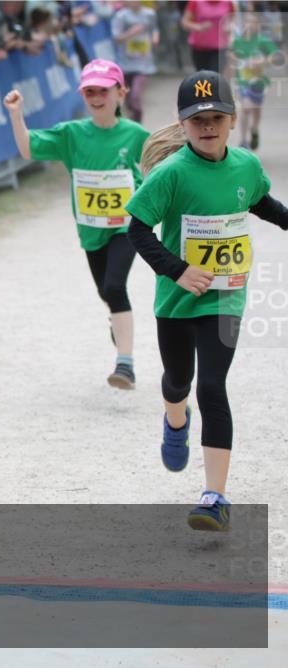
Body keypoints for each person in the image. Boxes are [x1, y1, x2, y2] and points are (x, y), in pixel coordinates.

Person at [125, 70, 288, 531]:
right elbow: (136, 229)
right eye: (199, 121)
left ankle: (214, 496)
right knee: (178, 382)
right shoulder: (171, 174)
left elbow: (261, 203)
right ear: (183, 126)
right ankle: (175, 419)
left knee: (212, 387)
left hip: (225, 297)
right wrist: (178, 270)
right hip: (176, 302)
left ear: (233, 120)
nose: (209, 126)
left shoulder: (246, 166)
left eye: (217, 117)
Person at [4, 59, 149, 389]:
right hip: (91, 230)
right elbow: (28, 149)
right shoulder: (71, 134)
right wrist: (16, 115)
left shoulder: (136, 135)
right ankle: (118, 319)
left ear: (121, 93)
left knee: (114, 287)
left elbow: (162, 166)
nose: (97, 97)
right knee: (106, 291)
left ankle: (125, 365)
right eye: (90, 91)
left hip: (128, 226)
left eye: (104, 90)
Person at [229, 12, 277, 151]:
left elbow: (276, 56)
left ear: (258, 25)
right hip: (242, 80)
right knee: (245, 108)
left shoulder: (263, 41)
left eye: (253, 23)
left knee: (255, 109)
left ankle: (254, 130)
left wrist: (262, 61)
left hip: (258, 81)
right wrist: (234, 58)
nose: (250, 25)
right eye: (247, 22)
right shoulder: (238, 40)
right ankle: (243, 139)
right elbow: (231, 55)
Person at [111, 0, 159, 124]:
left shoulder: (149, 13)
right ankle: (131, 120)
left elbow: (154, 29)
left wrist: (155, 38)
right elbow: (117, 39)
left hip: (144, 62)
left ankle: (138, 126)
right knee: (127, 98)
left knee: (136, 95)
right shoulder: (121, 16)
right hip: (126, 63)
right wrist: (132, 32)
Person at [181, 0, 235, 74]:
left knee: (214, 75)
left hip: (219, 48)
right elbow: (185, 22)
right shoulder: (195, 2)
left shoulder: (228, 2)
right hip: (199, 48)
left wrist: (229, 26)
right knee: (202, 77)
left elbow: (233, 20)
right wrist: (199, 27)